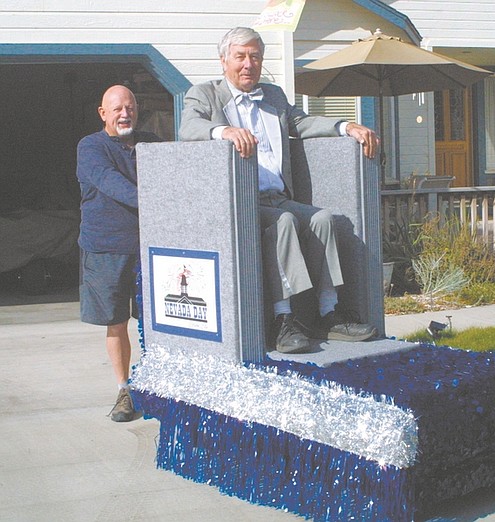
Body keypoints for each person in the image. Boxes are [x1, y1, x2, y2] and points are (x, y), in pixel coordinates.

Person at [180, 27, 380, 354]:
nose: (249, 64)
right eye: (240, 56)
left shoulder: (273, 96)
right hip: (240, 202)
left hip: (278, 196)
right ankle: (282, 320)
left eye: (255, 57)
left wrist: (346, 126)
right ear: (224, 61)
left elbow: (301, 123)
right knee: (284, 222)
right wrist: (224, 131)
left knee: (323, 219)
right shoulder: (204, 94)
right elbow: (188, 127)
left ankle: (327, 313)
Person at [77, 85, 161, 422]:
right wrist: (157, 202)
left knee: (159, 323)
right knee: (116, 323)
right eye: (116, 109)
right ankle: (125, 389)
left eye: (130, 107)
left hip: (150, 247)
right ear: (103, 114)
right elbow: (109, 181)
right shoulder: (90, 147)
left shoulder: (152, 143)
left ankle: (159, 385)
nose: (124, 113)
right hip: (105, 247)